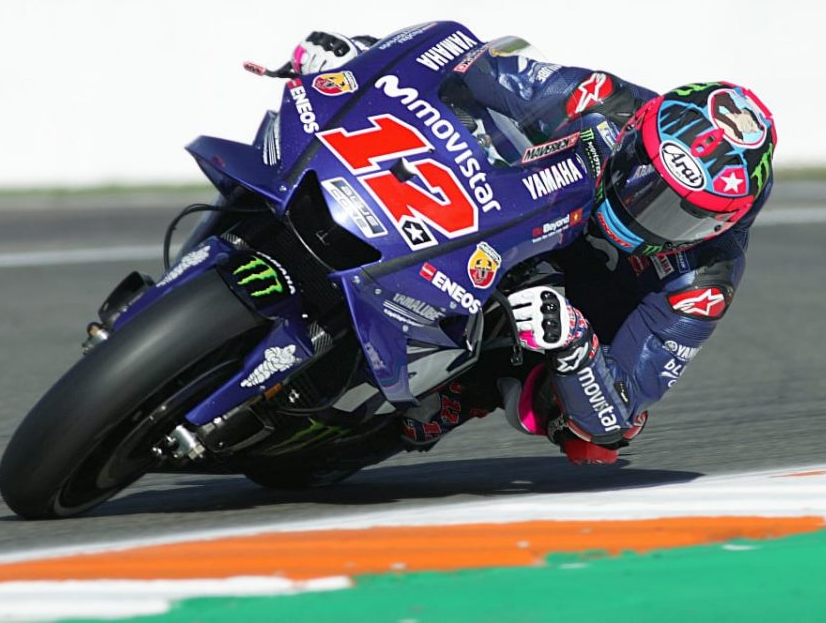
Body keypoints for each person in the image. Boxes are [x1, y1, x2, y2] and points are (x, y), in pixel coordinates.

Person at [291, 29, 777, 465]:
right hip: (505, 215)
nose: (642, 206)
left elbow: (621, 410)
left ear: (720, 224)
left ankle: (469, 389)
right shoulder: (604, 100)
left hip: (563, 311)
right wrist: (362, 60)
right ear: (637, 131)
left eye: (679, 213)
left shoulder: (705, 280)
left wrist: (573, 344)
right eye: (642, 176)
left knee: (586, 433)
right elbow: (473, 69)